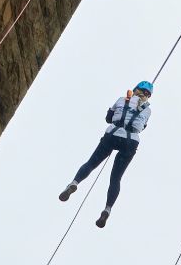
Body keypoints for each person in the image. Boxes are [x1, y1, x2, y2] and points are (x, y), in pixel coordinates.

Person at [59, 81, 152, 228]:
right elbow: (143, 127)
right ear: (148, 96)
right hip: (131, 141)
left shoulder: (122, 100)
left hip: (112, 134)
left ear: (135, 90)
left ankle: (73, 183)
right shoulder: (147, 110)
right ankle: (107, 210)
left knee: (91, 163)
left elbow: (108, 118)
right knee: (116, 178)